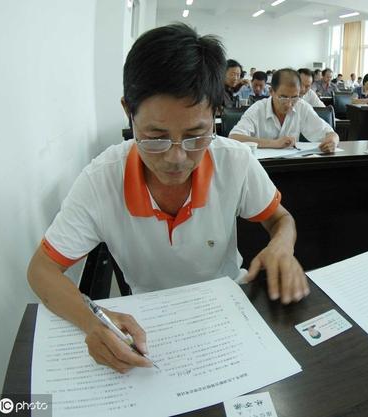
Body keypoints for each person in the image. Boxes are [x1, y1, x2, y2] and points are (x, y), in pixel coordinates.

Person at [26, 24, 310, 374]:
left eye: (196, 136)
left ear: (215, 115)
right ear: (128, 111)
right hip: (149, 323)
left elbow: (281, 219)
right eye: (155, 137)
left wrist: (282, 245)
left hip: (226, 310)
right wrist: (91, 321)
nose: (176, 158)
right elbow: (41, 270)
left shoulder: (234, 160)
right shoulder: (101, 180)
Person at [229, 68, 339, 153]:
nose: (289, 104)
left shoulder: (301, 106)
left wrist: (332, 142)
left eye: (294, 97)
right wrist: (273, 143)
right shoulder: (258, 109)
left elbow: (331, 134)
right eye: (283, 97)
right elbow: (234, 137)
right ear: (271, 91)